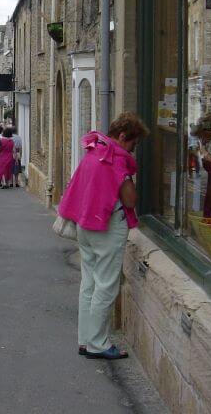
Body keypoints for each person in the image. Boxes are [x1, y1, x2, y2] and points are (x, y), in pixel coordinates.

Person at [58, 112, 148, 360]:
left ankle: (86, 340)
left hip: (86, 224)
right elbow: (130, 199)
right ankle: (98, 343)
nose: (133, 150)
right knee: (106, 286)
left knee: (89, 283)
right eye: (133, 143)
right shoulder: (116, 159)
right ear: (122, 136)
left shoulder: (94, 151)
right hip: (107, 227)